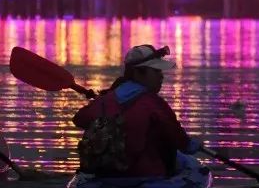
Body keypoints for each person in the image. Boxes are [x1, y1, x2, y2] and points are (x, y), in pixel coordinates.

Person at [71, 44, 202, 177]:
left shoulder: (106, 100)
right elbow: (180, 140)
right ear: (138, 73)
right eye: (156, 71)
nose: (161, 77)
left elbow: (80, 119)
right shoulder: (153, 103)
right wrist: (191, 144)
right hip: (146, 177)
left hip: (106, 178)